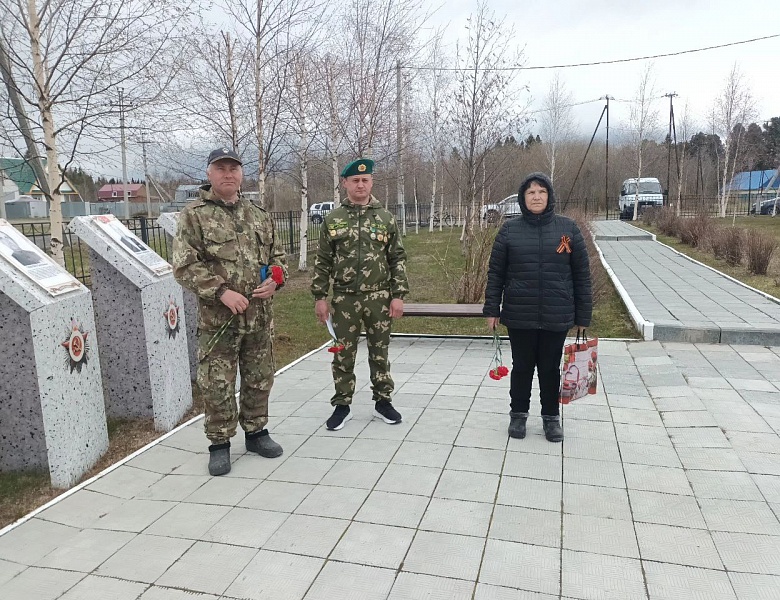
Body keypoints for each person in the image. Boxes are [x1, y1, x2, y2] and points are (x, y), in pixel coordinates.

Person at [173, 147, 287, 476]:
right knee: (217, 383)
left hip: (258, 317)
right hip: (218, 320)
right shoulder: (194, 215)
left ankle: (256, 433)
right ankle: (219, 443)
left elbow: (277, 257)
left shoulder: (259, 214)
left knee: (259, 377)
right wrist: (221, 292)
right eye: (221, 168)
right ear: (209, 173)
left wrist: (275, 281)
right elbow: (184, 266)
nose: (228, 174)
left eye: (233, 168)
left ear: (241, 174)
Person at [483, 172, 592, 442]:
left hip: (557, 315)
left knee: (549, 368)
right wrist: (492, 309)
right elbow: (496, 273)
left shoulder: (567, 229)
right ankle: (518, 415)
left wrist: (583, 315)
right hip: (520, 315)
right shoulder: (510, 230)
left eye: (541, 191)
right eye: (530, 192)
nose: (536, 196)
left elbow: (581, 274)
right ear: (522, 198)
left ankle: (551, 418)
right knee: (521, 368)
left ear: (549, 196)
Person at [311, 158, 409, 431]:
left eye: (365, 180)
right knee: (343, 353)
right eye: (355, 180)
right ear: (345, 183)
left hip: (378, 297)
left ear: (372, 182)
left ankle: (383, 401)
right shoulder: (334, 220)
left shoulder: (385, 218)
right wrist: (320, 297)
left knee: (380, 352)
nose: (361, 185)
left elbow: (397, 259)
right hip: (344, 300)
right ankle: (342, 405)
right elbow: (323, 261)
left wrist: (398, 294)